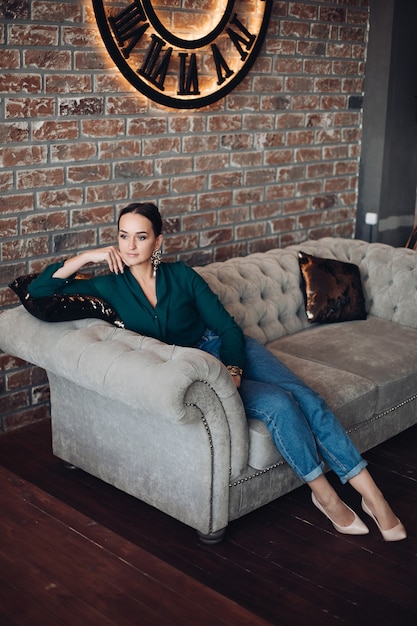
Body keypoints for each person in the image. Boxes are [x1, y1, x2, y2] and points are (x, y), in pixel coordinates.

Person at [29, 202, 406, 541]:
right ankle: (324, 496)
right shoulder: (108, 286)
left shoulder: (182, 277)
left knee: (309, 397)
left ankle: (374, 497)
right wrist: (85, 258)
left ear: (157, 242)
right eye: (123, 236)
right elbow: (38, 294)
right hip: (199, 370)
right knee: (280, 405)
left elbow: (227, 329)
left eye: (140, 237)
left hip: (226, 349)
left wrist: (235, 366)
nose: (130, 246)